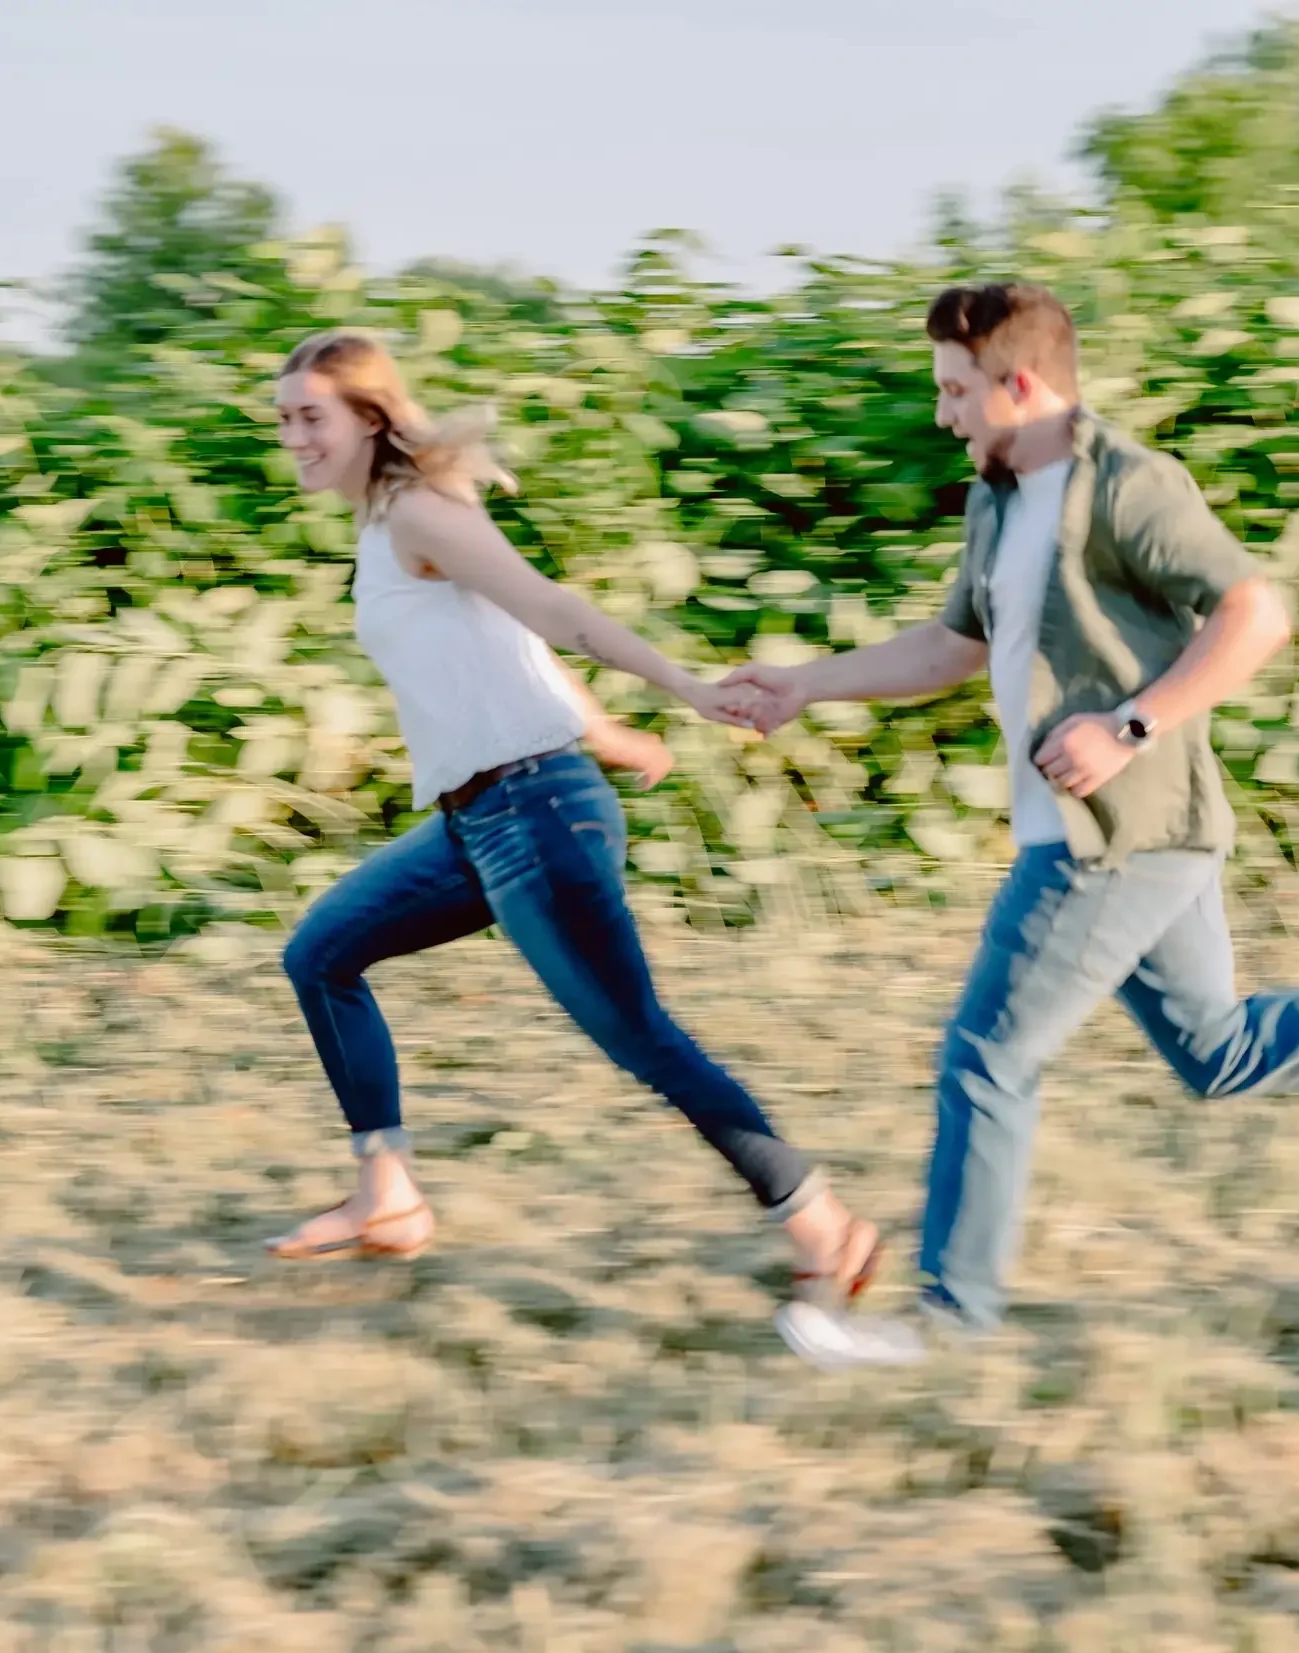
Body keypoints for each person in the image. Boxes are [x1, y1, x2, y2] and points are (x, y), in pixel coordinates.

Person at [718, 283, 1299, 1360]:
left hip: (1116, 829)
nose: (943, 413)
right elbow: (951, 648)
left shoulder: (1130, 486)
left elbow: (1258, 613)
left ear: (1021, 383)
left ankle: (950, 1326)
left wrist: (1128, 726)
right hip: (1139, 832)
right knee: (1219, 1052)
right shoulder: (999, 497)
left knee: (986, 1059)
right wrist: (803, 685)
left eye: (955, 391)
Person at [264, 329, 882, 1311]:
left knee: (637, 1035)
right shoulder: (390, 523)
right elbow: (508, 641)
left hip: (533, 811)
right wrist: (605, 730)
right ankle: (387, 1195)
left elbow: (555, 612)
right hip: (479, 818)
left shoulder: (420, 512)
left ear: (369, 418)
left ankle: (821, 1221)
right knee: (322, 955)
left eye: (310, 416)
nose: (292, 435)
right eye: (284, 418)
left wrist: (684, 687)